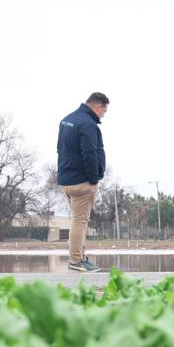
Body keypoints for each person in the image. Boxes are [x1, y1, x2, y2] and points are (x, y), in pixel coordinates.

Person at [57, 92, 109, 272]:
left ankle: (80, 258)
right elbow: (90, 153)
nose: (103, 114)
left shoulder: (67, 120)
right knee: (80, 222)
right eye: (104, 110)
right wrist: (93, 179)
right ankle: (76, 261)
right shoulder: (87, 124)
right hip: (82, 182)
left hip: (67, 180)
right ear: (98, 106)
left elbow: (59, 149)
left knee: (77, 221)